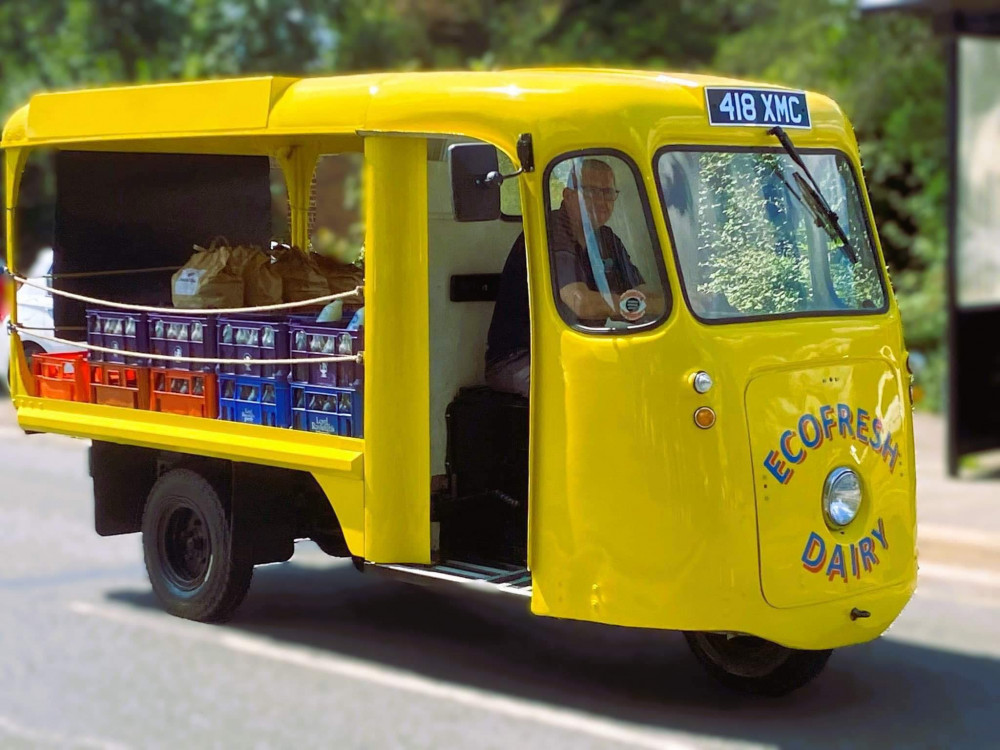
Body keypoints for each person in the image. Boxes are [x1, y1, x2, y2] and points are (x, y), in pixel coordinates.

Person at [485, 158, 661, 397]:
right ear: (568, 196)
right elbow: (581, 303)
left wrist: (692, 302)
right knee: (590, 389)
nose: (601, 201)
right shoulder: (551, 231)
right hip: (522, 358)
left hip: (581, 349)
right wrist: (635, 304)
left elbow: (648, 297)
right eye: (590, 192)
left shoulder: (608, 239)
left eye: (608, 193)